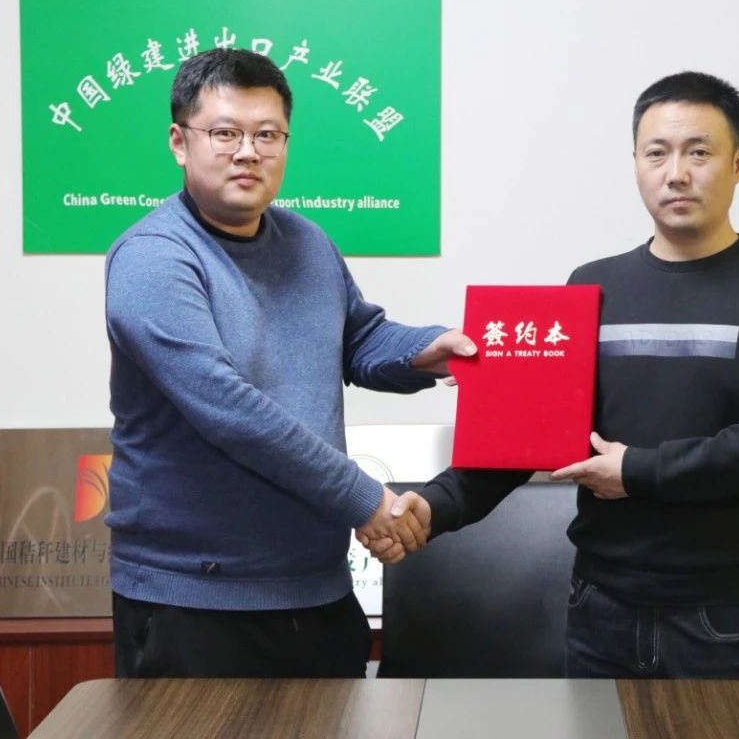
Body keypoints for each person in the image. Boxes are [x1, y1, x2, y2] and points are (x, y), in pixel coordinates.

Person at [367, 71, 739, 680]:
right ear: (636, 164)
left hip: (727, 616)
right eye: (657, 153)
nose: (676, 173)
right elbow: (531, 436)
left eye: (699, 152)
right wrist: (433, 506)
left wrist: (638, 471)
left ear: (738, 163)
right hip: (601, 608)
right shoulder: (593, 285)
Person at [105, 48, 474, 679]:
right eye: (225, 133)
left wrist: (428, 351)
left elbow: (359, 337)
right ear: (179, 142)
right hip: (192, 604)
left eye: (267, 135)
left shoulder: (307, 241)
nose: (248, 153)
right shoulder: (152, 258)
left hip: (316, 591)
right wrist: (365, 500)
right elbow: (229, 410)